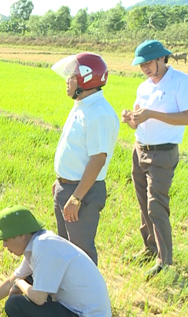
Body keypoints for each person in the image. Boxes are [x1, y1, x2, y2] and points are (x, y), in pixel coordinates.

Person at [121, 40, 188, 278]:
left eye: (148, 63)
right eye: (141, 64)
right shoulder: (143, 88)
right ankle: (149, 247)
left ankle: (165, 263)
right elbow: (138, 120)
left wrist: (152, 113)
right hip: (140, 148)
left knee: (157, 206)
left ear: (162, 58)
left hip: (163, 153)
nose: (144, 68)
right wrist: (130, 119)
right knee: (144, 204)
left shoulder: (182, 82)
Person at [50, 53, 120, 265]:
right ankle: (65, 294)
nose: (67, 82)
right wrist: (61, 181)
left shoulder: (98, 113)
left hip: (82, 192)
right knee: (63, 247)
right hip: (68, 187)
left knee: (80, 253)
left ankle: (87, 297)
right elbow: (75, 149)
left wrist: (76, 198)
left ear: (85, 79)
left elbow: (97, 160)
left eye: (71, 77)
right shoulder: (83, 106)